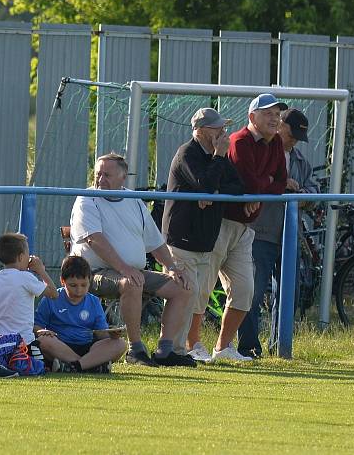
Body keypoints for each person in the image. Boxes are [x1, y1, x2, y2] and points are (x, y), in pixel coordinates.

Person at [68, 153, 194, 367]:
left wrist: (172, 267)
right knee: (132, 283)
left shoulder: (133, 200)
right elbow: (94, 239)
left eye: (106, 175)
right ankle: (135, 350)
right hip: (94, 273)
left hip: (131, 271)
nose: (100, 180)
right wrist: (124, 269)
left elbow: (154, 242)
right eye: (98, 174)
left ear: (123, 176)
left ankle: (165, 350)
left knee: (182, 287)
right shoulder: (86, 198)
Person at [204, 93, 287, 361]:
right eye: (268, 114)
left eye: (277, 114)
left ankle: (223, 348)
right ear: (252, 117)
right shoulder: (239, 140)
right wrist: (262, 186)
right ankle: (188, 346)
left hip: (246, 226)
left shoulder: (275, 143)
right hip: (221, 223)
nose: (275, 119)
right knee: (201, 288)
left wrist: (257, 194)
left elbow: (280, 182)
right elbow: (250, 182)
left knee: (244, 291)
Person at [161, 108, 246, 363]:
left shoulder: (216, 157)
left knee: (193, 296)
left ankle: (175, 349)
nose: (223, 132)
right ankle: (171, 350)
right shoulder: (188, 153)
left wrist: (213, 193)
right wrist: (213, 178)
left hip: (203, 242)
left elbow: (238, 187)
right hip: (183, 239)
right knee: (185, 295)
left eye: (223, 127)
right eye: (217, 128)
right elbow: (204, 184)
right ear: (200, 131)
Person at [239, 107, 319, 357]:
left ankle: (280, 348)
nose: (294, 140)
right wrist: (280, 186)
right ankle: (249, 348)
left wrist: (302, 196)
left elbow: (314, 191)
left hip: (289, 236)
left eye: (298, 137)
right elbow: (250, 181)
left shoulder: (301, 161)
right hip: (260, 232)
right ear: (280, 125)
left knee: (288, 297)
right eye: (291, 133)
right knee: (252, 294)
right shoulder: (259, 150)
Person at [34, 255, 126, 373]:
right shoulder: (51, 298)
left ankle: (73, 366)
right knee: (43, 341)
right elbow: (36, 326)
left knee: (120, 344)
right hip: (60, 346)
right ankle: (90, 365)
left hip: (88, 347)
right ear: (63, 281)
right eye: (73, 285)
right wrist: (40, 331)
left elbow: (101, 334)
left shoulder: (94, 301)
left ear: (90, 280)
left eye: (84, 285)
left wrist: (113, 335)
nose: (79, 290)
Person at [0, 233, 58, 349]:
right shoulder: (26, 277)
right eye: (28, 255)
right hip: (24, 343)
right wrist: (41, 271)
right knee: (40, 360)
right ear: (21, 257)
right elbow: (54, 293)